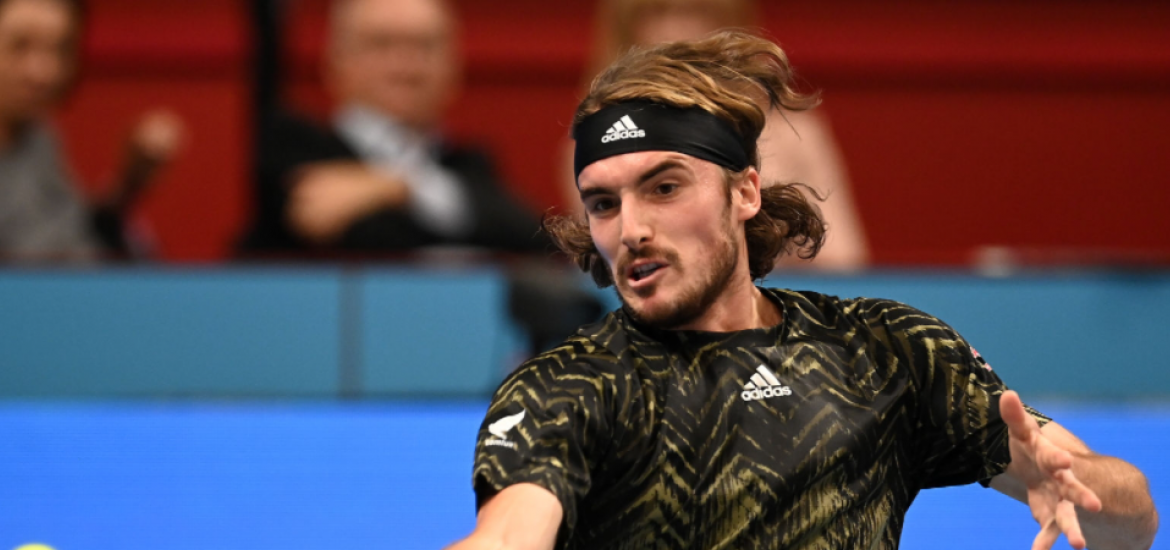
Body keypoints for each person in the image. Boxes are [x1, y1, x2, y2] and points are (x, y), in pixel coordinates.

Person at [448, 32, 1157, 550]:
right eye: (603, 204)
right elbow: (510, 534)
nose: (630, 228)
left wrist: (1081, 487)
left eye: (664, 188)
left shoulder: (883, 349)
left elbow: (1136, 524)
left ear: (745, 192)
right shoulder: (569, 385)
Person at [561, 0, 869, 270]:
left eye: (699, 11)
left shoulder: (795, 132)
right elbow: (605, 263)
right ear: (625, 32)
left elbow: (842, 258)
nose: (679, 31)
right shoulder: (598, 141)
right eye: (657, 12)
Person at [238, 0, 547, 256]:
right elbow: (364, 238)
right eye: (381, 44)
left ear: (455, 67)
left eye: (425, 46)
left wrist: (398, 188)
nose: (405, 65)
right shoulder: (296, 147)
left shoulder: (469, 162)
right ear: (335, 61)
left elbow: (531, 236)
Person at [0, 0, 184, 262]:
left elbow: (76, 237)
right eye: (19, 46)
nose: (42, 72)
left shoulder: (38, 138)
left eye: (59, 50)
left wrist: (130, 182)